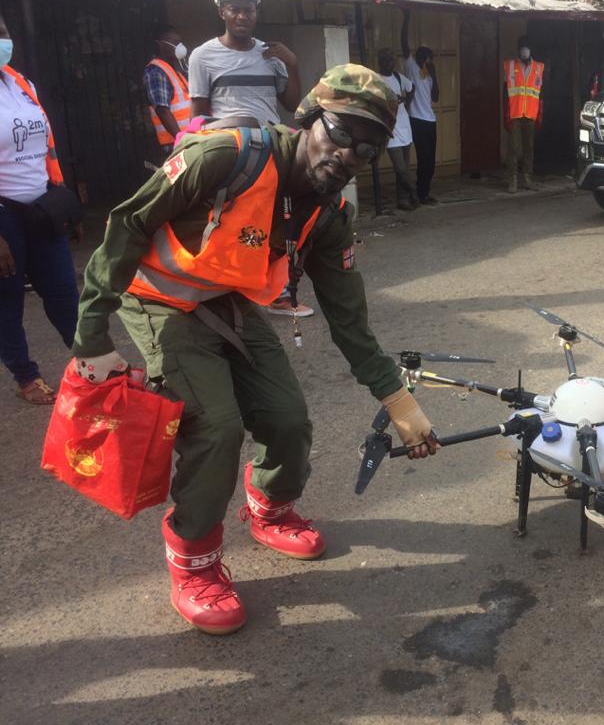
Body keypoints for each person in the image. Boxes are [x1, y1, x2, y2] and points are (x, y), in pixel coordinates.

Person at [71, 65, 441, 633]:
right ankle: (193, 561)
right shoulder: (224, 157)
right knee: (215, 425)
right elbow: (127, 226)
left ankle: (269, 505)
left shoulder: (329, 213)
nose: (347, 154)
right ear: (311, 118)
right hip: (159, 301)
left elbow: (349, 319)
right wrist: (91, 338)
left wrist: (400, 404)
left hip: (229, 305)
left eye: (366, 149)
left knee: (288, 418)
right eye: (340, 132)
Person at [188, 0, 311, 318]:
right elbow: (198, 116)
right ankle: (230, 288)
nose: (243, 17)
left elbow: (291, 103)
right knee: (235, 222)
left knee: (279, 221)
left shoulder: (270, 54)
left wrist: (293, 64)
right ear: (222, 12)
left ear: (257, 12)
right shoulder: (203, 56)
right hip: (233, 152)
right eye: (235, 10)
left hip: (273, 147)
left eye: (249, 10)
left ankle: (279, 292)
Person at [0, 11, 79, 404]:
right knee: (7, 300)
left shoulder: (21, 84)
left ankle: (89, 359)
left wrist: (61, 198)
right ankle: (26, 376)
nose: (2, 40)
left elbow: (46, 148)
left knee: (64, 290)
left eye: (3, 31)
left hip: (42, 205)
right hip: (3, 214)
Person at [400, 9, 440, 206]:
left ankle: (424, 192)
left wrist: (435, 74)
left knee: (431, 161)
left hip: (430, 120)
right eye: (426, 58)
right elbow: (404, 45)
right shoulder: (411, 67)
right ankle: (418, 193)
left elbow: (436, 98)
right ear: (419, 58)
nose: (428, 61)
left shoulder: (429, 75)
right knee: (423, 158)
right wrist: (406, 17)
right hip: (416, 119)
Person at [377, 48, 417, 212]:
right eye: (386, 60)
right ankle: (414, 193)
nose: (389, 63)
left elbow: (411, 87)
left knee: (403, 170)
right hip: (390, 130)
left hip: (404, 126)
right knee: (400, 168)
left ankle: (402, 199)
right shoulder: (376, 80)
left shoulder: (399, 77)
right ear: (380, 62)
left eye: (392, 60)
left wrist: (407, 103)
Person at [503, 36, 544, 194]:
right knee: (514, 148)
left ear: (531, 49)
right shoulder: (510, 66)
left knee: (529, 148)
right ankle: (512, 179)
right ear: (518, 49)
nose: (524, 50)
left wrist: (540, 114)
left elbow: (541, 94)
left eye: (527, 47)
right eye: (522, 47)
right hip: (514, 113)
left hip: (531, 115)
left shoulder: (539, 68)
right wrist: (505, 114)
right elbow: (504, 91)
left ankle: (527, 178)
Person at [143, 25, 190, 159]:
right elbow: (162, 109)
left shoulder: (176, 71)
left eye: (180, 42)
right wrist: (181, 139)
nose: (180, 47)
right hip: (175, 144)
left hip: (189, 140)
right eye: (175, 43)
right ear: (161, 45)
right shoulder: (155, 71)